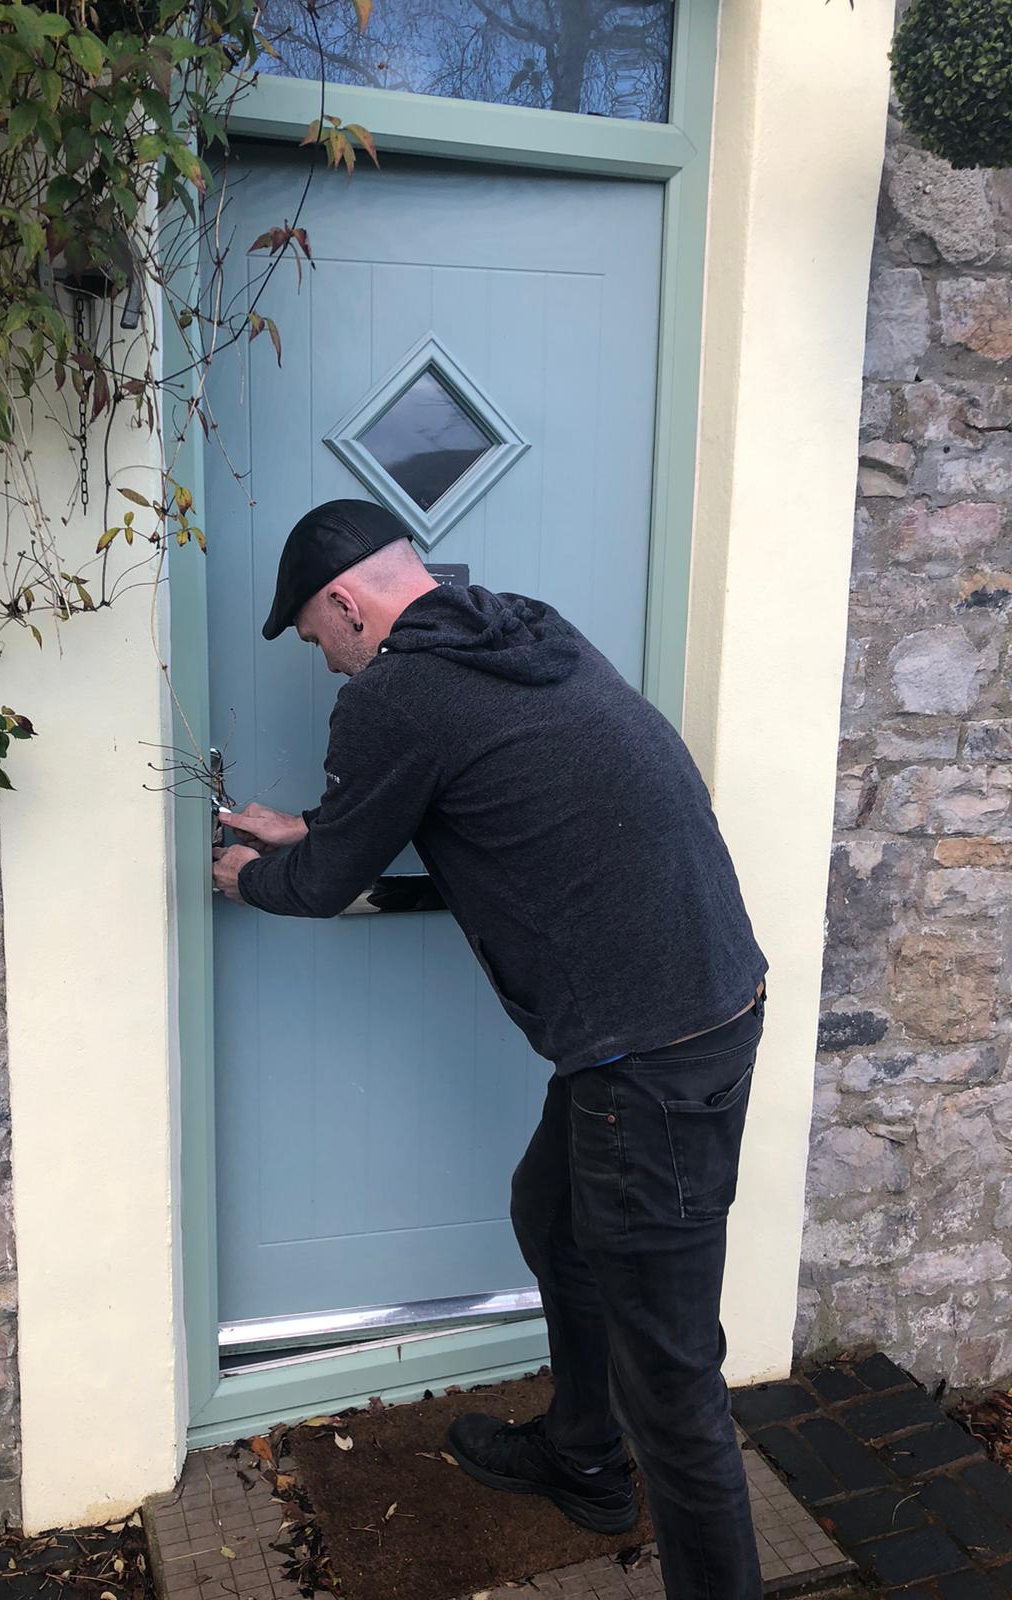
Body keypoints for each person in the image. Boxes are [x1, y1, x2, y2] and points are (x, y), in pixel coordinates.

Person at [213, 498, 769, 1599]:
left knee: (674, 1375)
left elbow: (324, 884)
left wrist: (249, 873)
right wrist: (313, 831)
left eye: (319, 639)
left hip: (646, 1056)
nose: (327, 664)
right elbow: (499, 805)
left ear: (345, 603)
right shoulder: (525, 629)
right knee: (553, 1217)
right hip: (693, 1008)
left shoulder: (397, 695)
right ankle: (582, 1453)